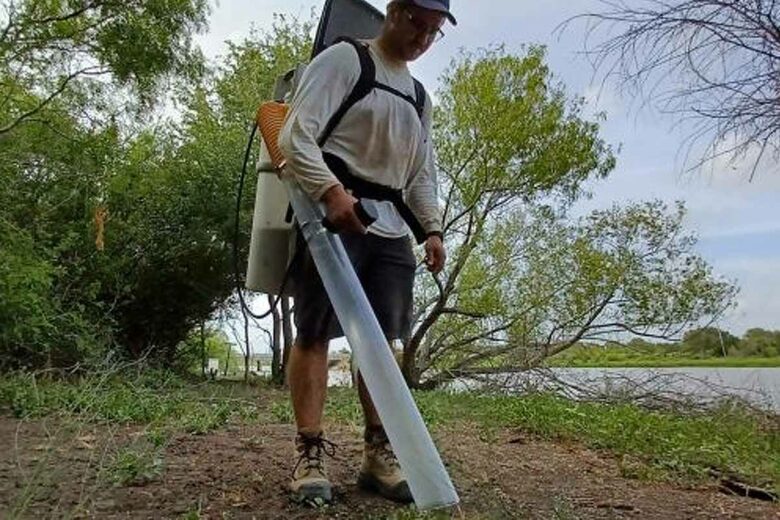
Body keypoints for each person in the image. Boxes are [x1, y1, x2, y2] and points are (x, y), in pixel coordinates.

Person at [278, 0, 457, 504]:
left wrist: (433, 230)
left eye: (433, 31)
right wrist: (332, 193)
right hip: (331, 217)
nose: (423, 38)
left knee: (382, 344)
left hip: (390, 230)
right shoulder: (344, 61)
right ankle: (309, 454)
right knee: (313, 331)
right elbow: (296, 134)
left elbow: (422, 172)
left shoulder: (419, 97)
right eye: (416, 24)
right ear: (393, 12)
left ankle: (378, 455)